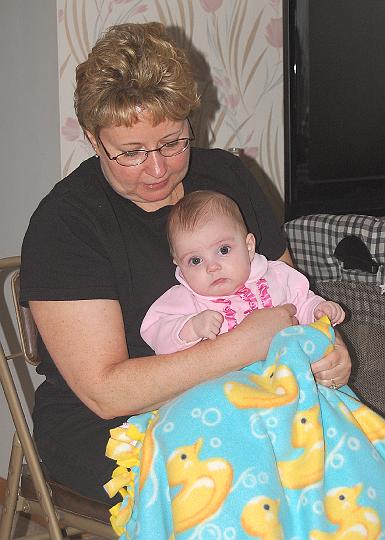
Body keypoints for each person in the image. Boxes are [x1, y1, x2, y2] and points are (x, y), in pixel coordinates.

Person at [19, 22, 351, 505]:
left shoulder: (227, 177)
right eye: (130, 153)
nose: (157, 169)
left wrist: (328, 345)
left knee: (347, 460)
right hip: (112, 424)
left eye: (173, 142)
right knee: (247, 487)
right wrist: (241, 346)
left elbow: (288, 293)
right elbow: (106, 393)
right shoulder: (66, 225)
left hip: (254, 390)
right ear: (94, 139)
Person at [141, 191, 345, 354]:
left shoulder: (278, 276)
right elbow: (155, 333)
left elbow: (301, 303)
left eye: (223, 250)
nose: (212, 267)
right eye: (195, 260)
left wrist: (319, 309)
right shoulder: (184, 298)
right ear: (179, 266)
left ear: (248, 246)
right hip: (226, 384)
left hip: (286, 369)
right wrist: (191, 327)